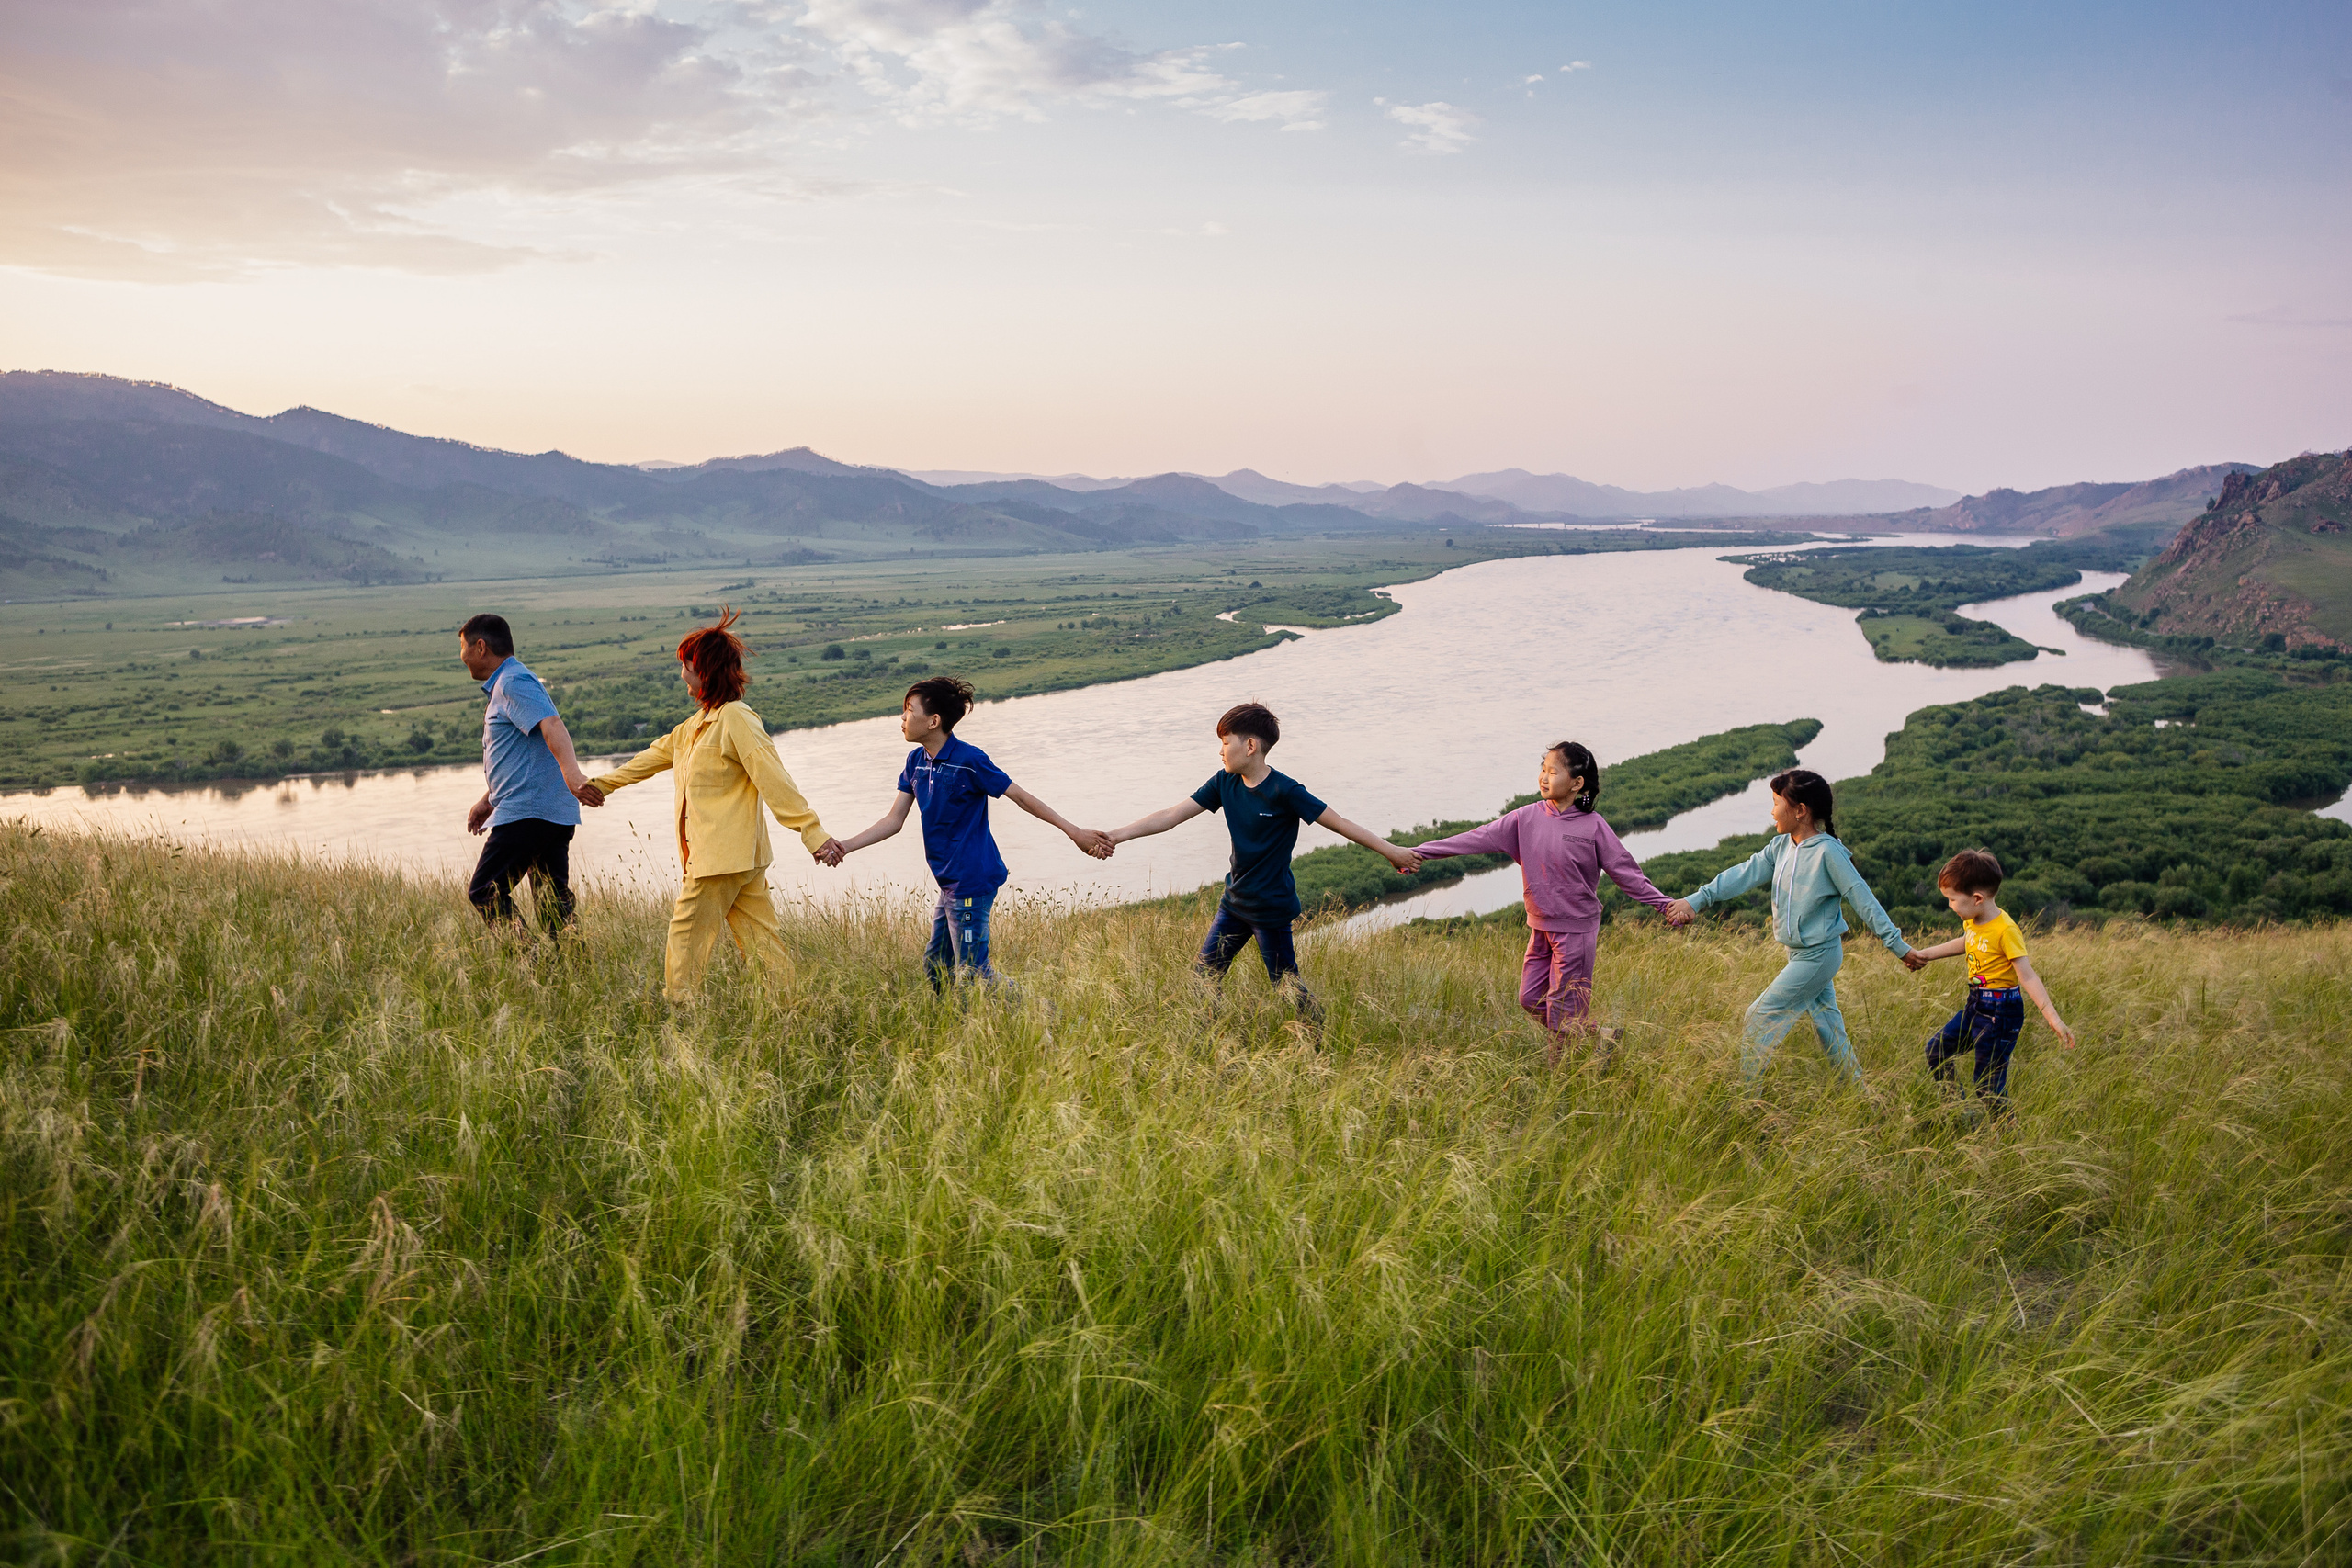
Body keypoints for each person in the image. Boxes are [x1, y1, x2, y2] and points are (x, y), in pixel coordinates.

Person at [578, 608, 840, 998]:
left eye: (685, 666)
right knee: (761, 941)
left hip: (719, 857)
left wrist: (812, 833)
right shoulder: (696, 726)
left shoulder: (736, 718)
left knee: (685, 933)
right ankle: (790, 1006)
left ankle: (682, 1009)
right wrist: (597, 785)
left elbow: (773, 778)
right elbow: (648, 759)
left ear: (704, 671)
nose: (681, 674)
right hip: (737, 858)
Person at [1106, 701, 1420, 1026]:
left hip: (1270, 909)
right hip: (1234, 904)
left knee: (1286, 986)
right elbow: (1170, 816)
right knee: (1202, 978)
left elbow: (1339, 823)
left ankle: (1316, 1039)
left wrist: (1392, 851)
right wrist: (1115, 836)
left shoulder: (1286, 791)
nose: (1221, 751)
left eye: (1225, 742)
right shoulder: (1223, 783)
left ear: (1251, 746)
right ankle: (1212, 1038)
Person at [828, 675, 1114, 989]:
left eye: (909, 710)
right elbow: (893, 821)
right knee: (937, 967)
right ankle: (953, 1027)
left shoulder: (970, 761)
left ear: (933, 721)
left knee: (974, 972)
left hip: (971, 884)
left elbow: (1021, 798)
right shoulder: (915, 762)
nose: (903, 718)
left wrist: (1074, 832)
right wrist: (844, 846)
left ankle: (1039, 1014)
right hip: (949, 884)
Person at [1413, 741, 1675, 1064]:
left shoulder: (1592, 826)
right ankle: (1601, 1036)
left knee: (1563, 1013)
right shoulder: (1525, 818)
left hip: (1576, 932)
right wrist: (1420, 853)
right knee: (1530, 998)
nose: (1544, 777)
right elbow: (1475, 838)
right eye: (1542, 769)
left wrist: (1664, 905)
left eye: (1553, 771)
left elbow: (1627, 872)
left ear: (1577, 783)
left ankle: (1560, 1080)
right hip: (1539, 928)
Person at [1662, 768, 1912, 1087]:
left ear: (1800, 811)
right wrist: (1696, 900)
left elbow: (1864, 901)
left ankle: (1745, 1097)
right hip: (1799, 954)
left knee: (1758, 1016)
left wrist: (1899, 948)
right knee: (1828, 1027)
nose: (1772, 810)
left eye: (1776, 802)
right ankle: (1860, 1093)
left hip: (1818, 955)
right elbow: (1741, 874)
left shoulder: (1828, 852)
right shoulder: (1781, 847)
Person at [1902, 848, 2075, 1116]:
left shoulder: (2006, 930)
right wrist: (1926, 954)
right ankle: (1959, 1110)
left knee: (1987, 1086)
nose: (1949, 905)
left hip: (2001, 1012)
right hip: (1976, 1005)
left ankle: (2007, 1137)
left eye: (1952, 899)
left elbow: (2026, 974)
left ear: (1978, 898)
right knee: (1936, 1050)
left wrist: (2052, 1017)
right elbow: (1967, 943)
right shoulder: (1974, 919)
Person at [458, 613, 591, 938]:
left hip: (528, 813)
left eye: (462, 648)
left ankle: (530, 961)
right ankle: (571, 975)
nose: (460, 657)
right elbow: (522, 756)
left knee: (484, 890)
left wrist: (573, 776)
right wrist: (489, 799)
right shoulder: (508, 684)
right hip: (546, 811)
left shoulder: (513, 681)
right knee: (552, 906)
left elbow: (552, 725)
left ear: (480, 647)